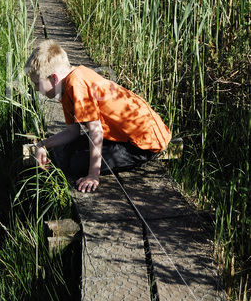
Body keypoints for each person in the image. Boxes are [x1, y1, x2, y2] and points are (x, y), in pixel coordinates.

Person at [25, 39, 171, 193]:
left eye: (37, 83)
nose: (35, 89)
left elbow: (96, 131)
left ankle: (140, 158)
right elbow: (72, 132)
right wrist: (42, 145)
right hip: (122, 134)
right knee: (65, 150)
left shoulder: (77, 84)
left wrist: (93, 175)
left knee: (75, 164)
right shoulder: (68, 84)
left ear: (54, 78)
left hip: (143, 144)